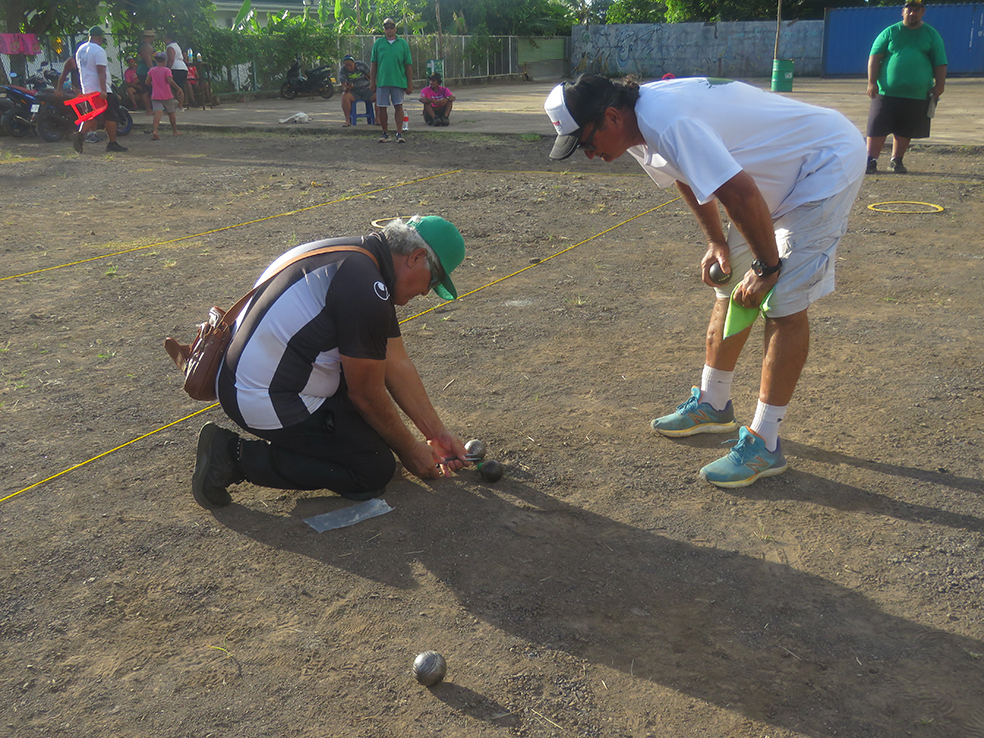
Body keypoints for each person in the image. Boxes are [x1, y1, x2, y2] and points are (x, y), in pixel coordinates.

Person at [544, 74, 865, 488]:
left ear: (609, 117)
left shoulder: (667, 121)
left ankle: (765, 443)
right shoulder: (634, 123)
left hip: (823, 161)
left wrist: (767, 267)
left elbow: (741, 194)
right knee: (728, 277)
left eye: (586, 143)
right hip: (777, 170)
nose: (588, 155)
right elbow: (685, 174)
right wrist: (717, 241)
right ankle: (714, 402)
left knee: (783, 299)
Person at [191, 216, 471, 509]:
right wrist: (411, 450)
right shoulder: (366, 289)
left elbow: (395, 362)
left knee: (377, 437)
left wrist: (436, 434)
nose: (426, 292)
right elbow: (366, 395)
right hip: (260, 396)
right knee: (373, 469)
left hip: (249, 377)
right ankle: (233, 456)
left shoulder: (357, 258)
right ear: (416, 257)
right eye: (433, 280)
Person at [865, 0, 947, 174]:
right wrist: (872, 82)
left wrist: (940, 85)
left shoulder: (931, 35)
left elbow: (940, 63)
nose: (912, 13)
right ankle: (870, 161)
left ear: (923, 12)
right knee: (877, 126)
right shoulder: (890, 32)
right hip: (886, 92)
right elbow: (875, 57)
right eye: (909, 10)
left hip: (917, 94)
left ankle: (896, 161)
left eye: (916, 10)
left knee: (905, 128)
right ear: (902, 11)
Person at [71, 26, 127, 154]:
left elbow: (80, 69)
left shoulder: (81, 50)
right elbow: (101, 71)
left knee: (92, 115)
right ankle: (112, 143)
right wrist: (103, 90)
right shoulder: (99, 50)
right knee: (111, 116)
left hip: (87, 88)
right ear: (100, 38)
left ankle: (80, 134)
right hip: (101, 89)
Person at [370, 17, 413, 144]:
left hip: (398, 81)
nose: (389, 30)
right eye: (386, 27)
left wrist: (409, 83)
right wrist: (372, 82)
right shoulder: (378, 44)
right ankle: (385, 133)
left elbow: (408, 65)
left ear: (395, 28)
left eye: (391, 27)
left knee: (398, 106)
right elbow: (374, 65)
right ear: (384, 29)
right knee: (382, 107)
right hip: (382, 81)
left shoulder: (403, 44)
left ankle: (399, 133)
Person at [146, 51, 182, 139]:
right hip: (167, 95)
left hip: (155, 95)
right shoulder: (167, 70)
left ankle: (155, 130)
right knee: (171, 113)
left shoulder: (152, 70)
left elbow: (147, 82)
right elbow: (170, 81)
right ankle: (174, 131)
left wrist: (154, 83)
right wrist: (178, 88)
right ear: (165, 61)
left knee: (158, 113)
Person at [338, 54, 376, 127]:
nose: (349, 67)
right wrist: (348, 88)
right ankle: (348, 120)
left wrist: (374, 85)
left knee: (379, 96)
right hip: (354, 92)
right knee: (344, 97)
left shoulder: (362, 65)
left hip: (367, 90)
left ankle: (378, 119)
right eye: (346, 66)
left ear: (354, 63)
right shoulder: (343, 71)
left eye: (350, 65)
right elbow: (344, 87)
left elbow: (371, 77)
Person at [164, 31, 188, 108]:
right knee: (178, 86)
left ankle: (178, 105)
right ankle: (179, 105)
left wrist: (167, 70)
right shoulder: (176, 46)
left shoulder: (170, 47)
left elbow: (171, 59)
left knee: (174, 87)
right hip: (182, 68)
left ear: (169, 38)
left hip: (175, 69)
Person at [136, 29, 156, 115]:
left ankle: (151, 109)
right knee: (147, 91)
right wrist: (152, 71)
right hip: (145, 72)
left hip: (145, 71)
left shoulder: (145, 45)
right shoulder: (145, 46)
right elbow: (147, 58)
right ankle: (149, 109)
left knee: (148, 90)